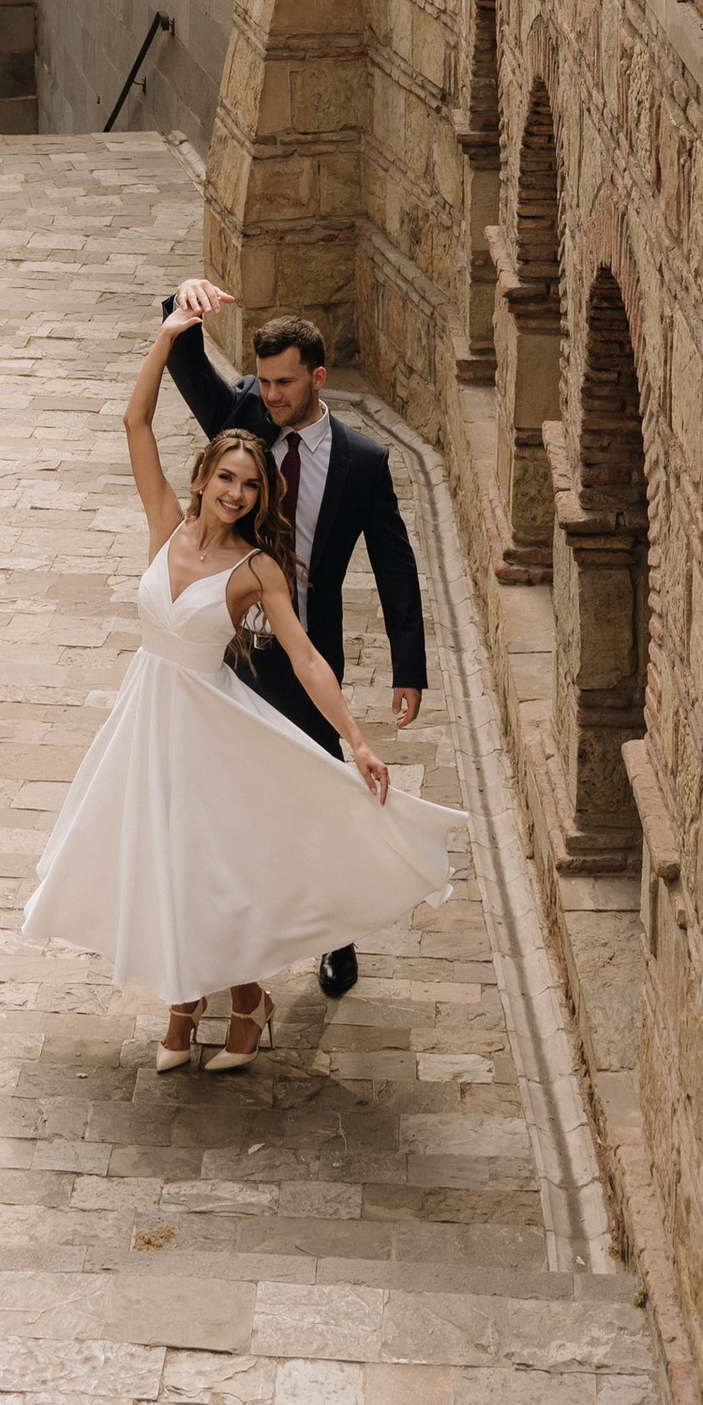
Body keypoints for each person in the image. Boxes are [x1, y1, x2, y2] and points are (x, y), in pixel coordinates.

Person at [21, 283, 456, 1070]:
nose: (237, 492)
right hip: (152, 716)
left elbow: (324, 639)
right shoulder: (170, 519)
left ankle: (271, 968)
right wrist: (172, 325)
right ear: (205, 475)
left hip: (225, 701)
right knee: (175, 854)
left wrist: (360, 738)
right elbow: (137, 420)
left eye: (250, 486)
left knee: (252, 833)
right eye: (227, 479)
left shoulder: (265, 560)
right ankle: (198, 1000)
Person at [159, 282, 425, 1002]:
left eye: (283, 383)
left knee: (321, 792)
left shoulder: (363, 462)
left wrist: (409, 665)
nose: (270, 395)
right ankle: (227, 936)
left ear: (318, 377)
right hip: (231, 649)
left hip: (306, 647)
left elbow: (395, 564)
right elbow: (187, 368)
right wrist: (180, 304)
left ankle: (336, 932)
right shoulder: (242, 415)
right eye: (263, 380)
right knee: (225, 795)